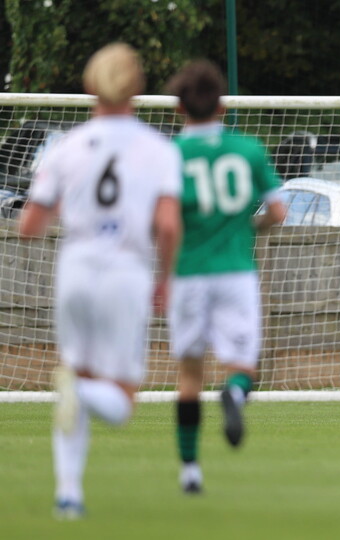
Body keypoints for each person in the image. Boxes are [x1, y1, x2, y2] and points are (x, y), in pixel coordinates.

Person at [18, 43, 183, 519]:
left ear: (90, 84)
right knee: (119, 401)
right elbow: (168, 224)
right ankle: (79, 398)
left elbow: (30, 225)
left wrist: (65, 207)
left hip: (75, 267)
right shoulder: (157, 149)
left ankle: (68, 493)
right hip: (125, 271)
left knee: (78, 375)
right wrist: (166, 278)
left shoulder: (67, 146)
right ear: (138, 87)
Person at [165, 60, 286, 494]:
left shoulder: (169, 155)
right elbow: (278, 211)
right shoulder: (248, 149)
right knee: (242, 366)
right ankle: (234, 393)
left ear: (180, 107)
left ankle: (190, 471)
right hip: (236, 272)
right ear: (222, 106)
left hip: (188, 273)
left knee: (189, 374)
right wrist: (248, 228)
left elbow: (163, 222)